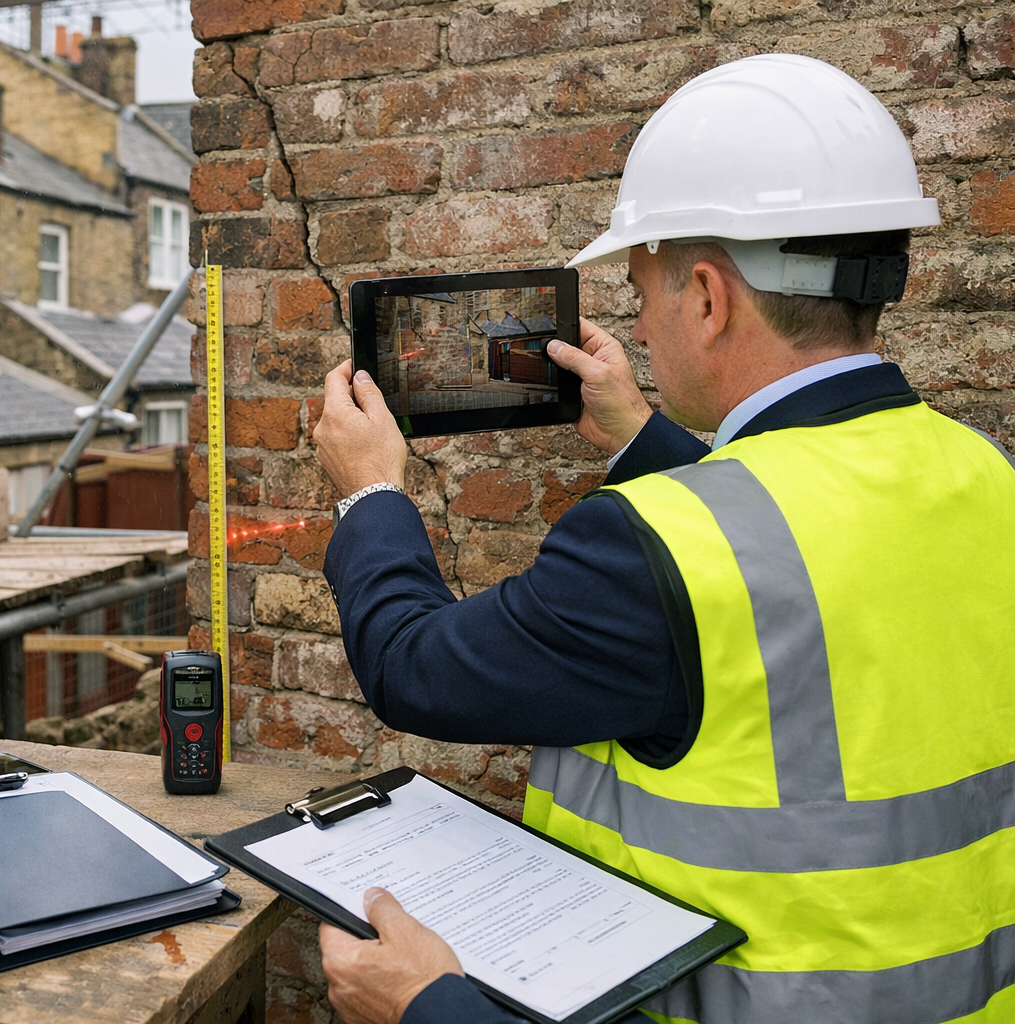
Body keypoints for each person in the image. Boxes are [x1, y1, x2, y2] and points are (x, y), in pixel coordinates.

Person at [309, 54, 1015, 1024]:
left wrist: (371, 492)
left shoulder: (646, 549)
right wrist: (644, 434)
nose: (640, 322)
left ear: (711, 299)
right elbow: (796, 549)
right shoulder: (986, 479)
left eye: (642, 292)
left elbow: (414, 665)